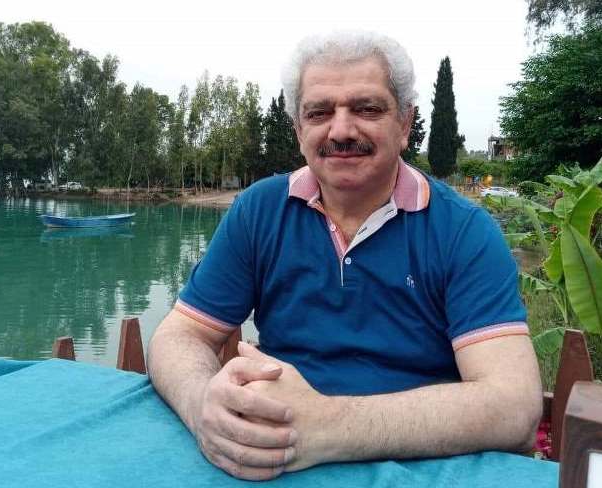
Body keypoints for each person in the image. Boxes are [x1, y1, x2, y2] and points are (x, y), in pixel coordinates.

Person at [147, 31, 542, 481]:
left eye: (366, 108)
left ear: (405, 123)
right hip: (274, 465)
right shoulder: (260, 211)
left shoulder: (463, 231)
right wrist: (203, 408)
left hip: (423, 472)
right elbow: (179, 335)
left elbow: (514, 405)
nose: (340, 131)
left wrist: (327, 426)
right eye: (319, 113)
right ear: (299, 131)